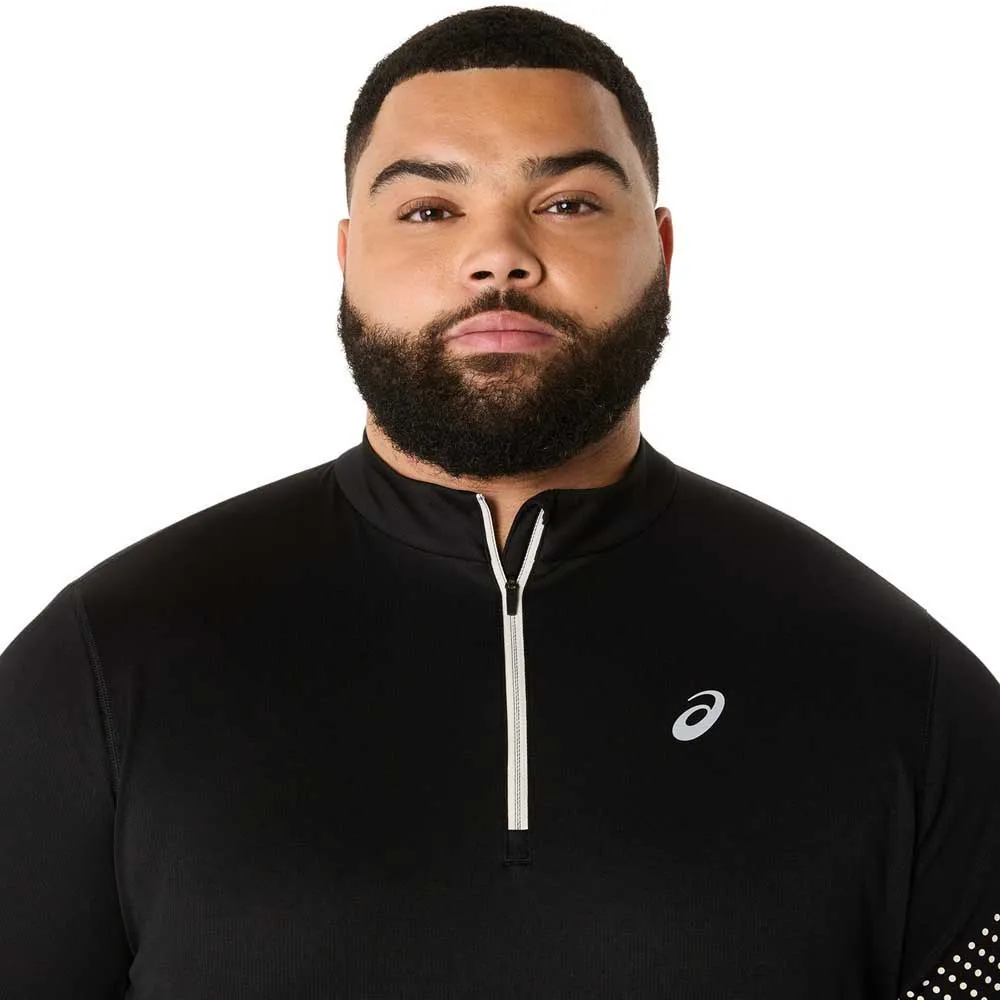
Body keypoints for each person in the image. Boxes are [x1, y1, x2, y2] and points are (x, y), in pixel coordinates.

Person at [0, 6, 996, 998]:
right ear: (346, 256)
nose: (499, 256)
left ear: (660, 246)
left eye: (567, 203)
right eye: (430, 210)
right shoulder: (104, 666)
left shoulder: (900, 687)